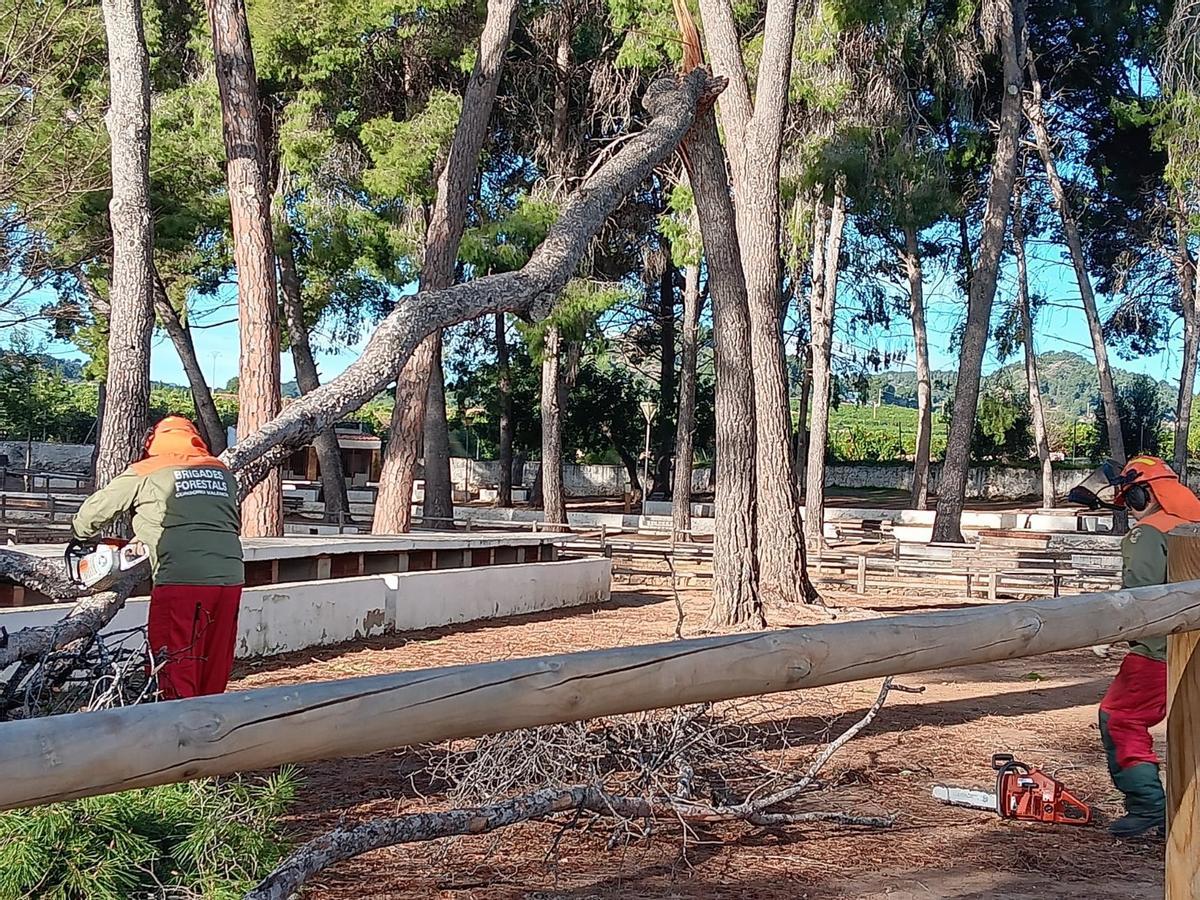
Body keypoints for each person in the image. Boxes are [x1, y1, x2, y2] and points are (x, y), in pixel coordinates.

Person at [72, 416, 244, 700]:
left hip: (181, 578)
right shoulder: (220, 470)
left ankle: (177, 733)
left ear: (152, 441)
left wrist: (78, 532)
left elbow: (93, 515)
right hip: (230, 577)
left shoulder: (147, 469)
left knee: (173, 662)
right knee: (213, 661)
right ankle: (211, 728)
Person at [1099, 455, 1200, 837]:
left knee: (1120, 717)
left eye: (1130, 498)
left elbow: (1141, 598)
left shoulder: (1148, 534)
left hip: (1160, 650)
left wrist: (1114, 628)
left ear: (1144, 494)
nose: (1129, 508)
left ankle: (1147, 807)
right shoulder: (1194, 525)